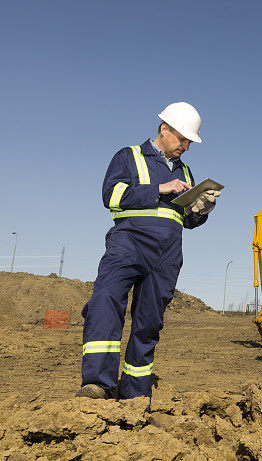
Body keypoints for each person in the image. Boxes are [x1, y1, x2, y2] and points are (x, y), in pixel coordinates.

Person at [77, 102, 220, 400]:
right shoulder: (128, 156)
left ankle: (134, 397)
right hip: (128, 242)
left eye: (189, 142)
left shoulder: (186, 172)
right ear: (164, 129)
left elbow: (188, 220)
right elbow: (112, 196)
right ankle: (98, 385)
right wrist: (159, 189)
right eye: (182, 139)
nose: (186, 147)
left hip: (167, 254)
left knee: (149, 323)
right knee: (105, 302)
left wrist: (202, 208)